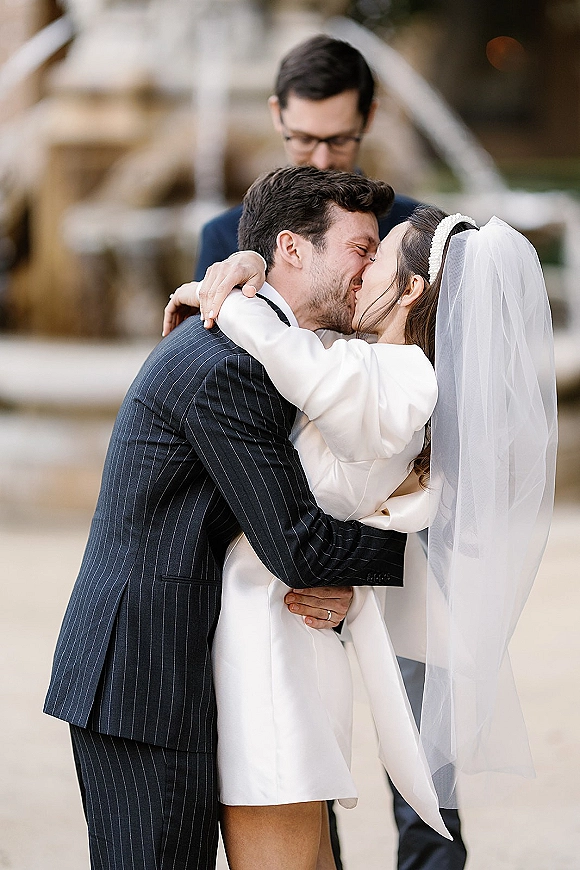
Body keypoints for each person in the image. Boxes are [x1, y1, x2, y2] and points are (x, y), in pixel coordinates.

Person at [167, 173, 556, 869]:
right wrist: (255, 264)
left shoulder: (406, 379)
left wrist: (227, 301)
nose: (360, 268)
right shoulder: (378, 368)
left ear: (410, 290)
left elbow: (301, 367)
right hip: (286, 635)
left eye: (378, 259)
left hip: (271, 649)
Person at [43, 170, 409, 870]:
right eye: (360, 248)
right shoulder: (231, 362)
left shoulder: (264, 344)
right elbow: (295, 546)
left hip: (168, 662)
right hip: (146, 673)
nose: (368, 270)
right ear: (292, 251)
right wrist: (408, 558)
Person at [192, 34, 461, 870]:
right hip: (285, 529)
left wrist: (373, 562)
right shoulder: (228, 231)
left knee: (420, 748)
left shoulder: (408, 233)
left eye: (336, 141)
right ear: (277, 118)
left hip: (379, 529)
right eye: (301, 140)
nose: (317, 155)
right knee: (306, 745)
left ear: (366, 122)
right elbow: (227, 401)